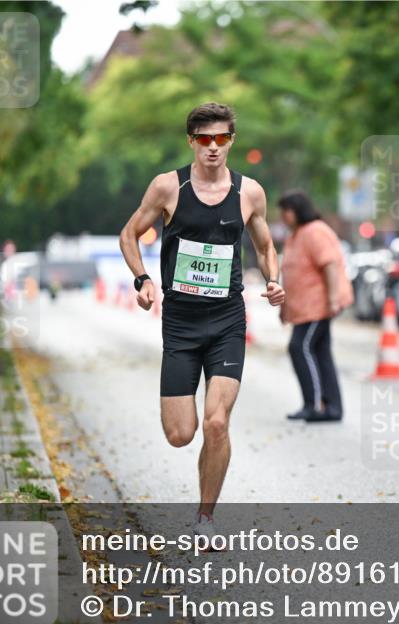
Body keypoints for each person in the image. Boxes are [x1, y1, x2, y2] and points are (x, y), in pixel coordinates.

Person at [119, 102, 285, 538]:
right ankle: (203, 488)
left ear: (232, 141)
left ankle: (205, 517)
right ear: (192, 141)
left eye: (223, 139)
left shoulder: (249, 192)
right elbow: (130, 233)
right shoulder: (168, 187)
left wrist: (273, 280)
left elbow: (266, 245)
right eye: (205, 140)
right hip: (180, 323)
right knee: (181, 433)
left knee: (216, 423)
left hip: (228, 320)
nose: (214, 148)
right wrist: (142, 279)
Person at [278, 191, 354, 423]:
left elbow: (329, 264)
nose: (283, 217)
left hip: (318, 304)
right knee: (320, 352)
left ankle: (316, 404)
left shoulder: (315, 231)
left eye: (286, 211)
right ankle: (331, 407)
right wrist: (284, 307)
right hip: (304, 308)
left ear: (297, 210)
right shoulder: (296, 235)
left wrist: (332, 299)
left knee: (299, 347)